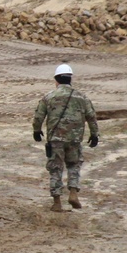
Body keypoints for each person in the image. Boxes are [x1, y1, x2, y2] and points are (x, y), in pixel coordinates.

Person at [32, 64, 98, 212]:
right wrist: (94, 134)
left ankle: (57, 202)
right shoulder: (81, 97)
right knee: (74, 165)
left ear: (56, 80)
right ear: (70, 79)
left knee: (55, 168)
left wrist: (37, 131)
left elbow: (38, 116)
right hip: (75, 139)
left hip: (55, 139)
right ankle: (73, 193)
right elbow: (91, 116)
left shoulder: (49, 97)